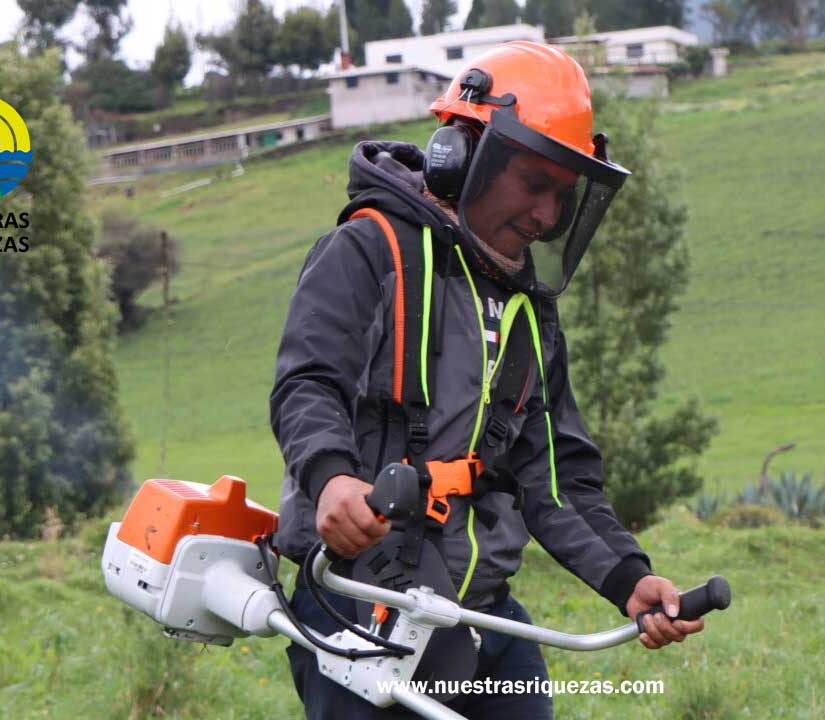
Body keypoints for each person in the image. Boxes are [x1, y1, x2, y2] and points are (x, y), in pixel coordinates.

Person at [270, 41, 704, 719]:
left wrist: (630, 578)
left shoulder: (532, 315)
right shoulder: (365, 252)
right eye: (535, 184)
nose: (546, 216)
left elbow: (556, 477)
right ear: (460, 156)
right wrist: (330, 478)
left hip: (483, 619)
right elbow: (307, 383)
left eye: (562, 196)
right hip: (360, 605)